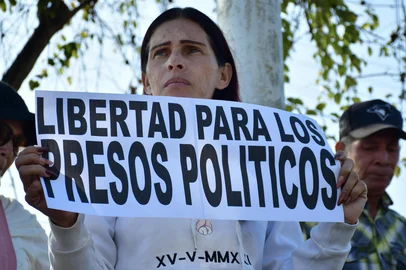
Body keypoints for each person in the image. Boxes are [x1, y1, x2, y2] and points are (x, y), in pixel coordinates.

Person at [16, 7, 367, 270]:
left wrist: (339, 225)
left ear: (224, 73)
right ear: (146, 82)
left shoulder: (268, 163)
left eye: (192, 50)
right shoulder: (104, 164)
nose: (174, 62)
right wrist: (65, 225)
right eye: (160, 53)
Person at [301, 99, 406, 269]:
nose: (384, 160)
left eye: (392, 149)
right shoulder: (310, 218)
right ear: (341, 149)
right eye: (370, 147)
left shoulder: (400, 225)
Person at [0, 81, 49, 269]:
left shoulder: (22, 225)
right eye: (1, 133)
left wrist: (65, 224)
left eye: (17, 142)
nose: (7, 150)